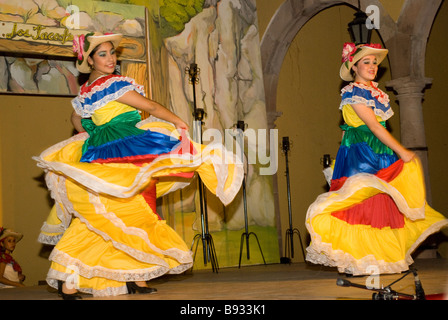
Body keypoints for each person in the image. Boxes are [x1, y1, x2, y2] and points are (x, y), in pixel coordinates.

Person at [34, 32, 243, 299]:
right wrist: (179, 121)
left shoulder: (88, 89)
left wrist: (92, 134)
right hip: (123, 151)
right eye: (103, 54)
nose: (110, 58)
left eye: (112, 52)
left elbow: (77, 119)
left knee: (125, 215)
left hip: (103, 153)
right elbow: (151, 107)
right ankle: (69, 283)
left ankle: (135, 278)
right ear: (90, 60)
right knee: (113, 218)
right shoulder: (111, 84)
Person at [305, 43, 448, 276]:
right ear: (354, 66)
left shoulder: (372, 93)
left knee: (382, 204)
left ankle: (380, 258)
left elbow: (356, 127)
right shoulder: (355, 92)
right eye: (366, 62)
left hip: (376, 150)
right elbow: (372, 126)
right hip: (363, 152)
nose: (372, 66)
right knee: (363, 203)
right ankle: (360, 260)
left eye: (374, 63)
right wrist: (402, 151)